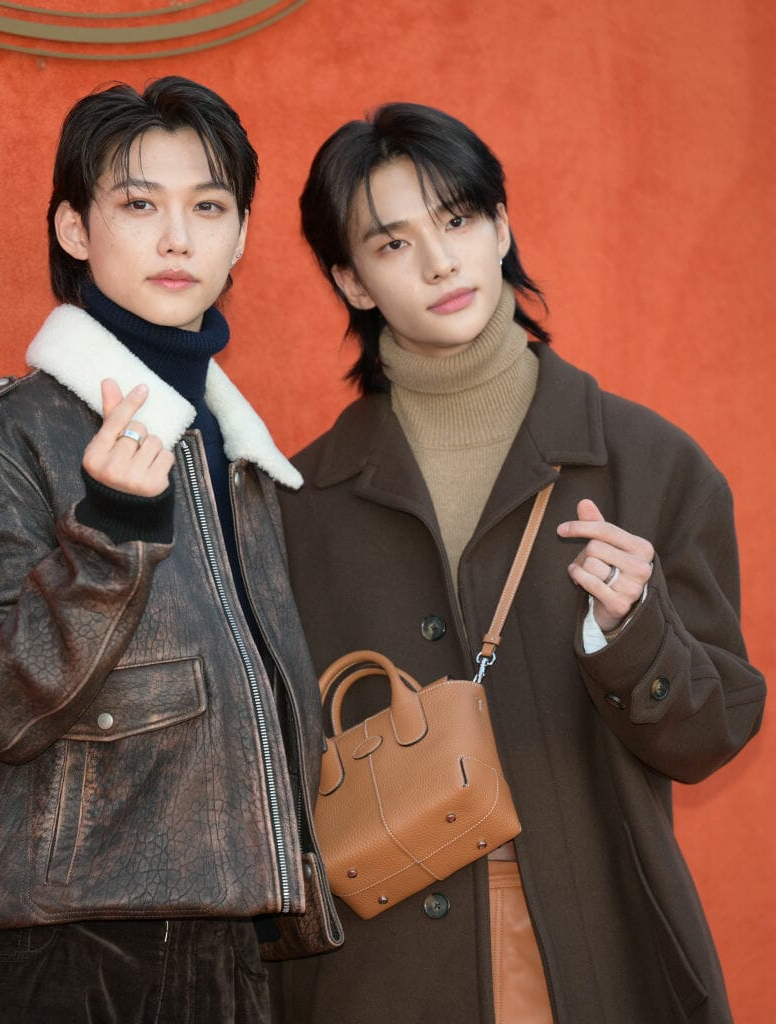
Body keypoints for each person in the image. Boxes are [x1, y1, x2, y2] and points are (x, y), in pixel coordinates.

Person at [270, 103, 765, 1024]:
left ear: (500, 225)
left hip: (585, 945)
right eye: (392, 243)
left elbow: (711, 733)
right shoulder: (295, 501)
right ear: (351, 280)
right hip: (369, 968)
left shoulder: (648, 463)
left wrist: (633, 633)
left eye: (457, 220)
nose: (439, 262)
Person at [0, 77, 341, 1024]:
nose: (177, 238)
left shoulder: (232, 453)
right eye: (137, 204)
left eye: (208, 207)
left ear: (242, 235)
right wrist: (109, 535)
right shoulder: (4, 436)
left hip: (225, 940)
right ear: (74, 229)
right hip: (54, 954)